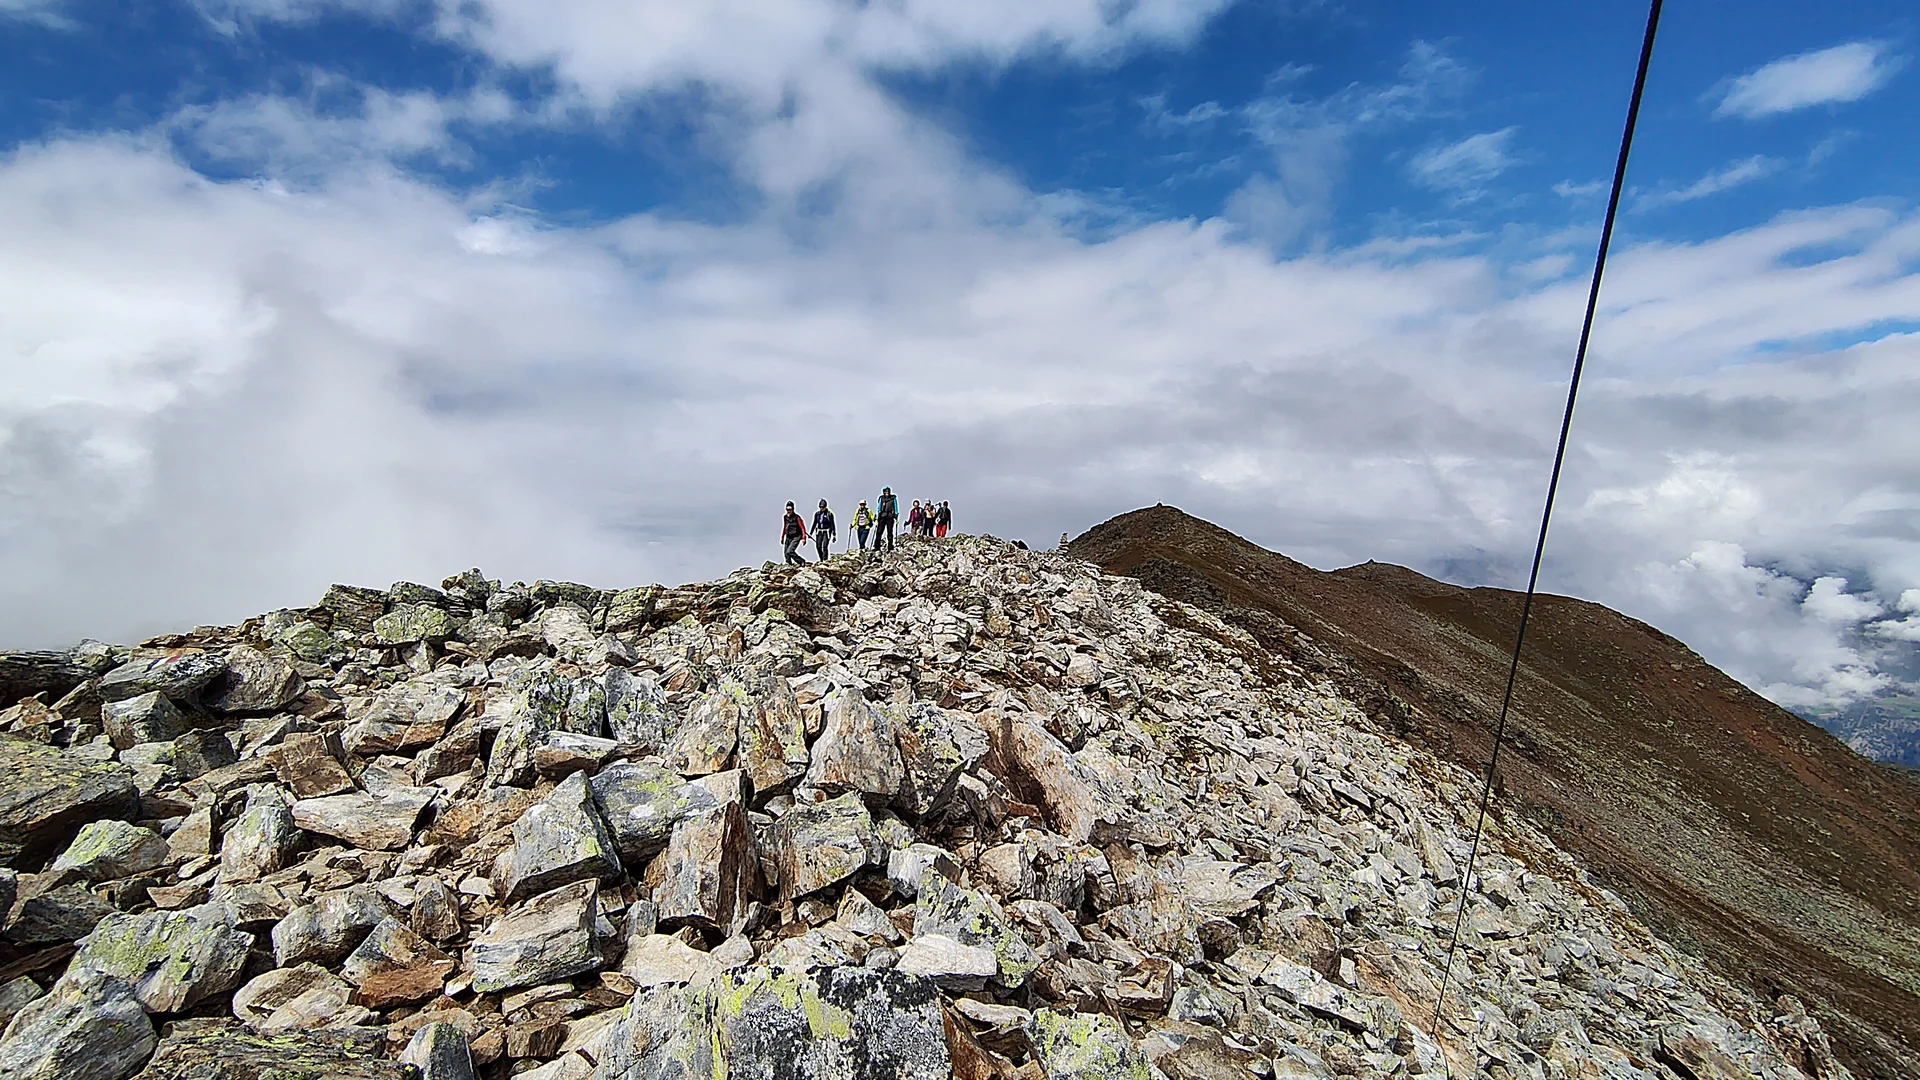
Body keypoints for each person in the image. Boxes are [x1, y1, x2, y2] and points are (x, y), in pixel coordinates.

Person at [875, 487, 898, 552]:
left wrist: (896, 514)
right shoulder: (881, 498)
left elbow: (895, 506)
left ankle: (890, 546)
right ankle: (877, 546)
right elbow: (879, 507)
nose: (887, 492)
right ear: (884, 492)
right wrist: (878, 515)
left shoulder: (893, 498)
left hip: (890, 516)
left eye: (888, 491)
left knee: (889, 532)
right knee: (879, 532)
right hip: (882, 516)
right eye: (885, 491)